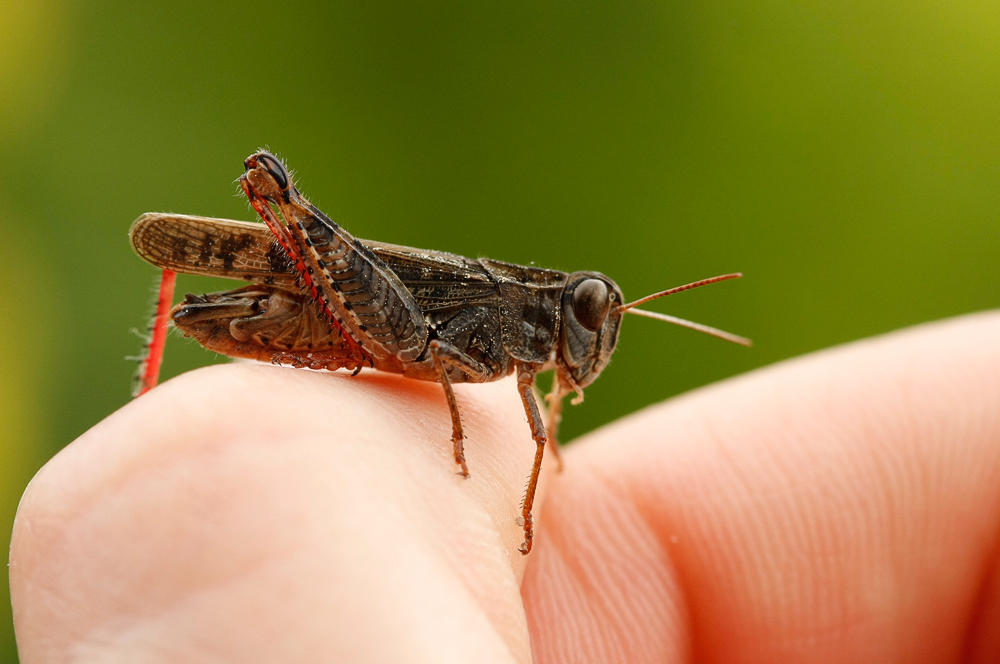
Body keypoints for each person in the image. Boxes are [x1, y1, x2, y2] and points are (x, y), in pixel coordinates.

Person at [10, 313, 1000, 662]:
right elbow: (439, 350)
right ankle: (137, 408)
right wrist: (452, 421)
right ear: (552, 311)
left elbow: (522, 407)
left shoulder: (530, 380)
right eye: (583, 317)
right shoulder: (499, 332)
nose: (586, 341)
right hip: (368, 311)